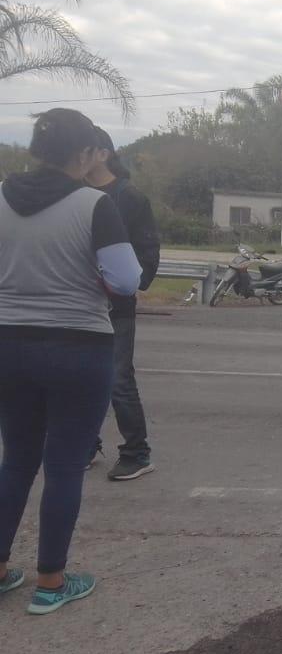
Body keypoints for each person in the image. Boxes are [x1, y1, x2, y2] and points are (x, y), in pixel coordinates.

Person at [0, 108, 142, 615]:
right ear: (84, 154)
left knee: (16, 459)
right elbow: (126, 279)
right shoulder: (95, 204)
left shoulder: (1, 196)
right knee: (63, 466)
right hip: (77, 346)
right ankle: (51, 582)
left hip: (9, 343)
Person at [86, 127, 161, 482]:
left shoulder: (128, 197)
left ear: (101, 153)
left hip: (115, 306)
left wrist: (121, 282)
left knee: (117, 380)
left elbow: (147, 256)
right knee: (80, 378)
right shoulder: (74, 194)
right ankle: (85, 444)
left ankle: (136, 452)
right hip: (77, 303)